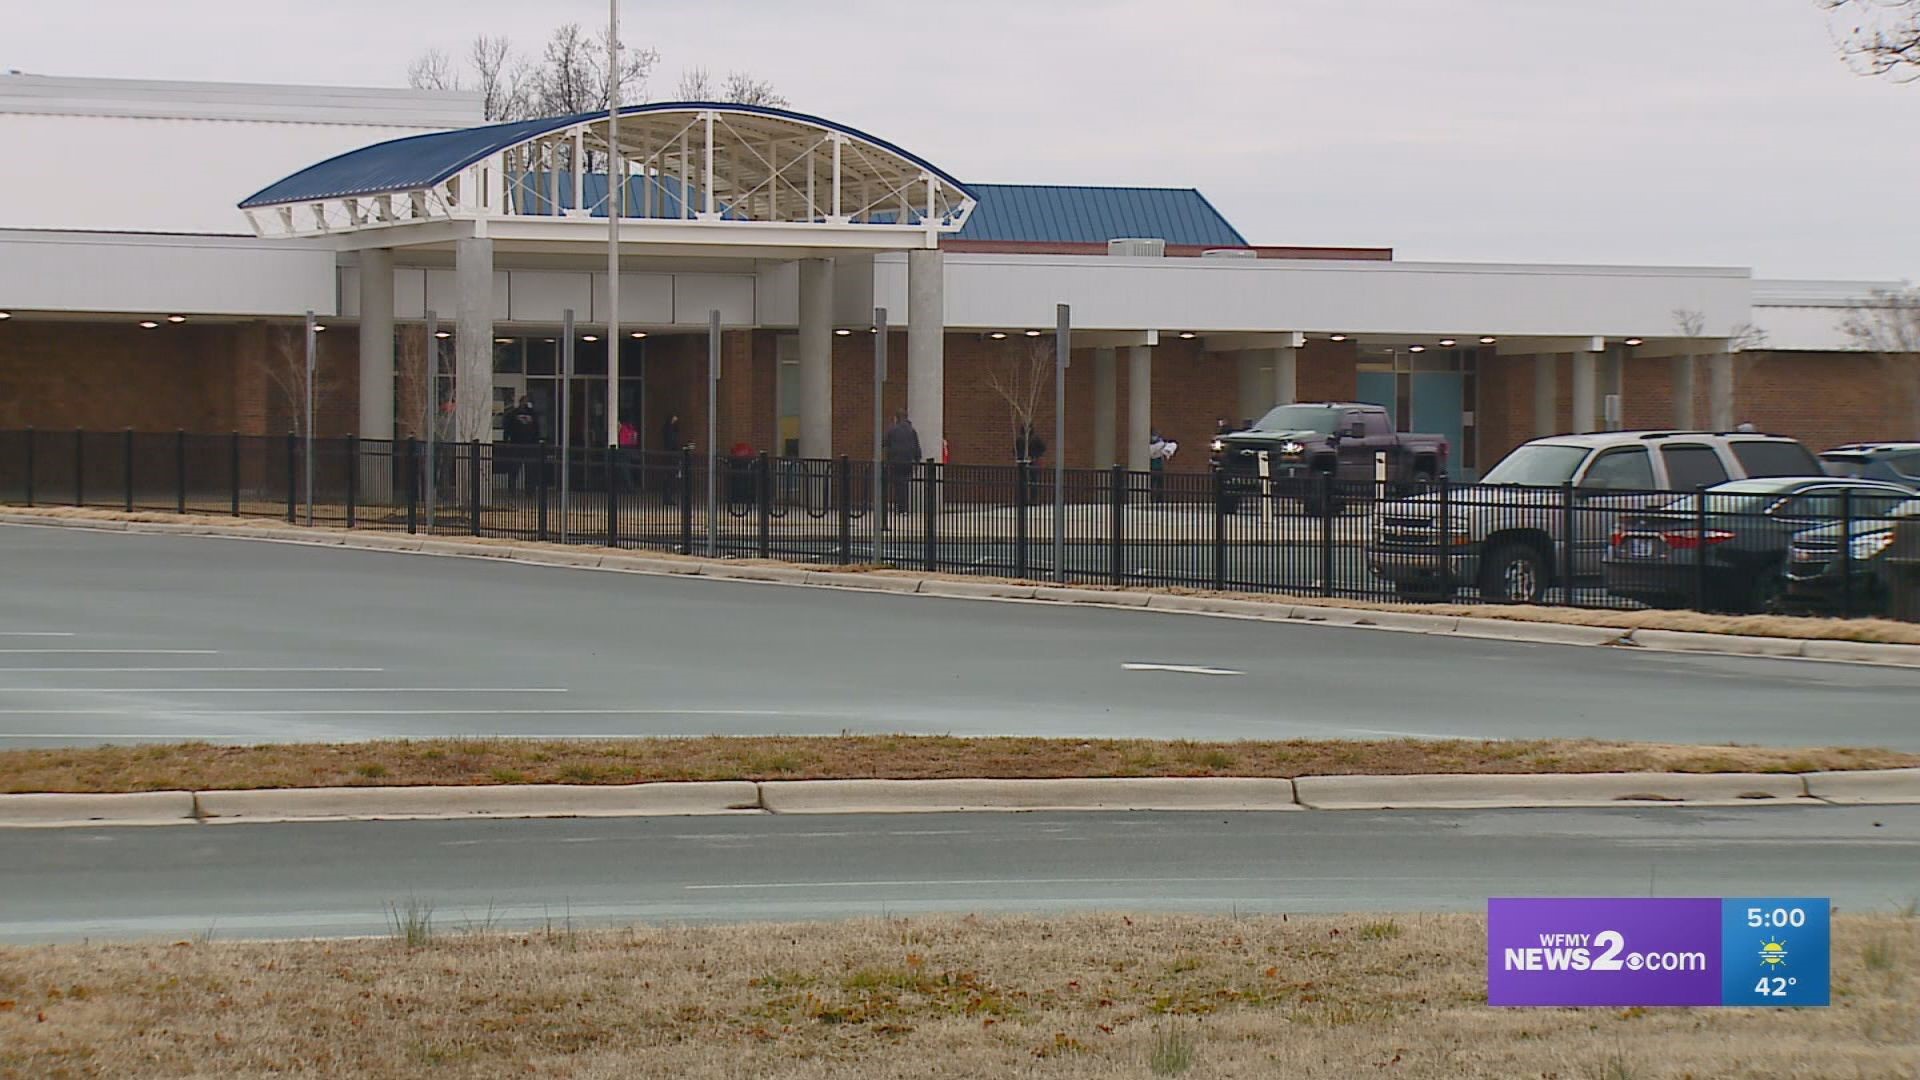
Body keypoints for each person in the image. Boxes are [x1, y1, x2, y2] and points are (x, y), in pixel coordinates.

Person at [500, 395, 541, 496]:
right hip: (516, 445)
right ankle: (512, 491)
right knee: (514, 469)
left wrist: (536, 442)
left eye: (527, 402)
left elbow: (537, 429)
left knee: (530, 470)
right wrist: (506, 442)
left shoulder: (533, 414)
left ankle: (530, 491)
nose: (525, 404)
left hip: (530, 446)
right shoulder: (513, 414)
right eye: (524, 401)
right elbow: (507, 429)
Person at [882, 413, 922, 514]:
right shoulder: (912, 430)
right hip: (908, 461)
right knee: (904, 484)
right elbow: (917, 447)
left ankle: (901, 507)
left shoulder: (892, 430)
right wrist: (917, 461)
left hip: (895, 461)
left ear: (896, 418)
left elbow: (884, 443)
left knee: (897, 484)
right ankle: (903, 507)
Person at [1148, 429, 1178, 503]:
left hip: (1158, 468)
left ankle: (1159, 500)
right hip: (1152, 469)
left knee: (1159, 486)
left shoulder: (1161, 444)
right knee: (1152, 486)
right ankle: (1152, 499)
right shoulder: (1156, 446)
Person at [660, 414, 683, 506]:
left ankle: (668, 497)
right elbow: (671, 442)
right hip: (670, 457)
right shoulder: (668, 430)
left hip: (673, 456)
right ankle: (667, 498)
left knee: (671, 478)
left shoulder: (672, 430)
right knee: (669, 478)